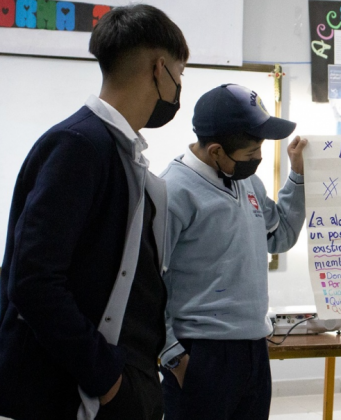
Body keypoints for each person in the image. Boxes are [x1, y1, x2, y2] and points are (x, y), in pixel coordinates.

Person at [0, 4, 188, 420]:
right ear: (160, 70)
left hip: (111, 382)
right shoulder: (80, 146)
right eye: (180, 76)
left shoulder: (121, 154)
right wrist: (107, 380)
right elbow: (33, 282)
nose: (178, 90)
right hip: (69, 395)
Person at [157, 84, 307, 420]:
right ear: (215, 151)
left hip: (253, 348)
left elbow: (279, 235)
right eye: (251, 151)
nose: (259, 157)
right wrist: (174, 358)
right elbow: (149, 282)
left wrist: (297, 177)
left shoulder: (246, 182)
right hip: (201, 352)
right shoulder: (173, 191)